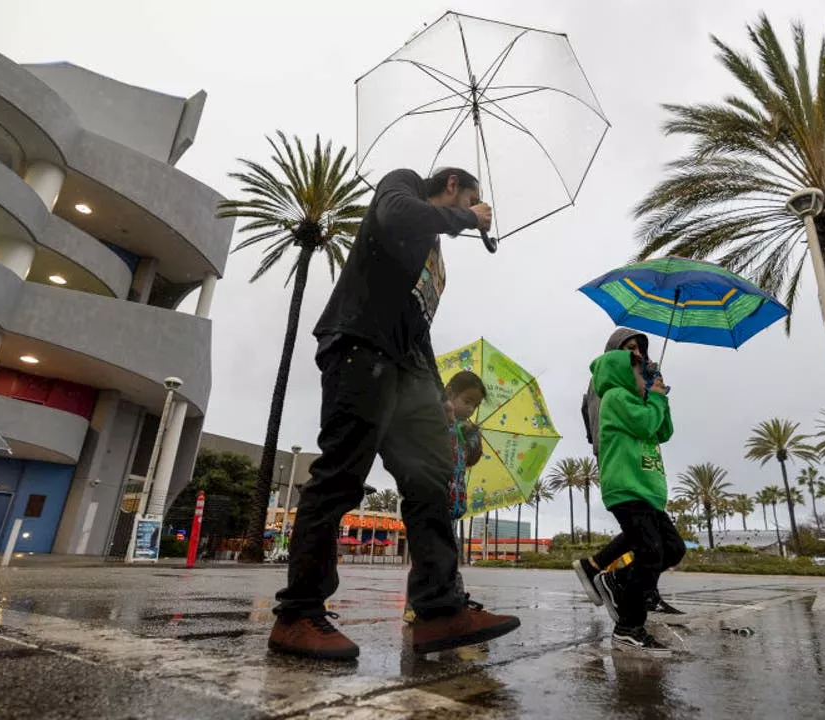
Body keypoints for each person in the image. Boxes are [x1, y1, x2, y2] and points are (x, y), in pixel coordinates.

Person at [269, 167, 520, 661]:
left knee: (431, 478)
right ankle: (297, 613)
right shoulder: (402, 186)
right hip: (360, 350)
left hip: (408, 370)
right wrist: (466, 217)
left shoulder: (434, 249)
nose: (473, 205)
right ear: (452, 186)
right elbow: (396, 213)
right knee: (340, 477)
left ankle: (439, 609)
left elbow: (416, 320)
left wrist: (432, 385)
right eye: (471, 196)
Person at [574, 329, 684, 616]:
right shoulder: (609, 388)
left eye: (640, 349)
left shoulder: (639, 387)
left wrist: (657, 395)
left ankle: (615, 578)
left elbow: (661, 430)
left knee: (655, 544)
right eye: (630, 348)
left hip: (643, 473)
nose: (637, 353)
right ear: (615, 353)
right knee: (648, 545)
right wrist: (650, 401)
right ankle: (631, 609)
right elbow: (611, 422)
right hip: (621, 464)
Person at [404, 370, 486, 623]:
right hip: (433, 495)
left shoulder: (467, 429)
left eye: (476, 405)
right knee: (433, 554)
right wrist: (450, 430)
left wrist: (474, 438)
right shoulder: (437, 420)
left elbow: (471, 459)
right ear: (449, 393)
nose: (471, 408)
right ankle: (422, 605)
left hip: (452, 501)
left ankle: (446, 602)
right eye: (467, 401)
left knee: (447, 552)